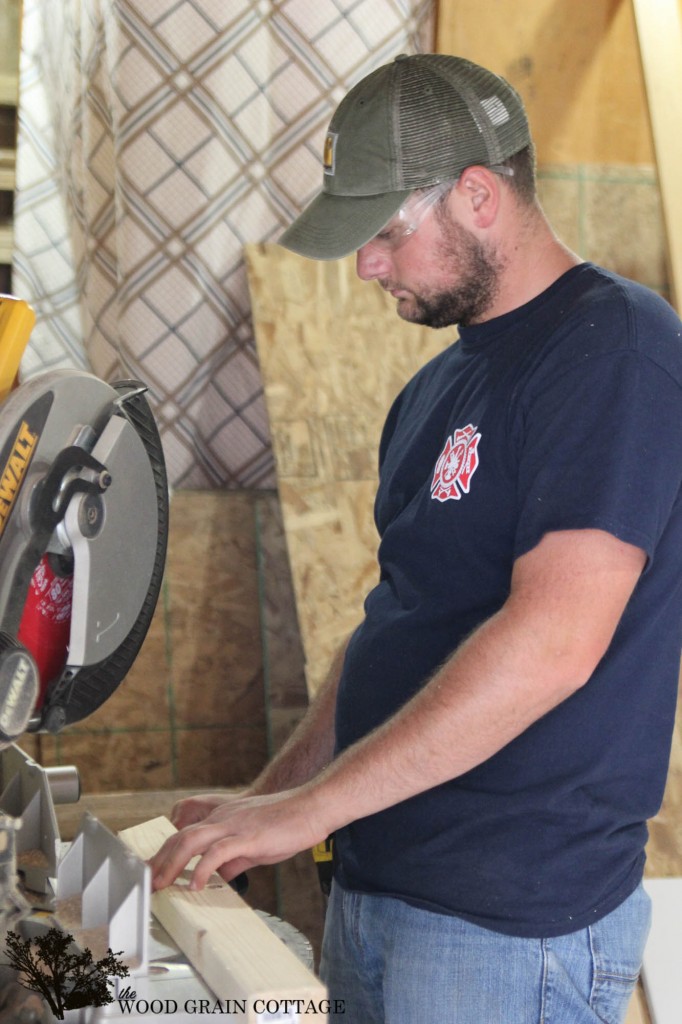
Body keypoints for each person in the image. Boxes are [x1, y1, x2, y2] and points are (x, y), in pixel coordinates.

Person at [149, 54, 682, 1023]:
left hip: (509, 925)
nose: (367, 265)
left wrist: (311, 810)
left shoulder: (616, 352)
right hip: (378, 881)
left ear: (478, 196)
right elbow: (399, 622)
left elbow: (555, 642)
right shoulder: (436, 388)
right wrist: (274, 793)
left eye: (386, 233)